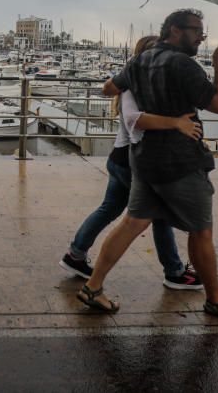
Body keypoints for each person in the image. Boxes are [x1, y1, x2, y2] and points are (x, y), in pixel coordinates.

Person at [77, 9, 218, 322]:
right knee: (201, 231)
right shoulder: (183, 64)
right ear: (175, 30)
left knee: (133, 222)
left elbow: (111, 87)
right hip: (180, 162)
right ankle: (216, 299)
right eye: (196, 30)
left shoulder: (140, 60)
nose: (201, 36)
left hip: (145, 160)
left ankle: (93, 287)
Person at [60, 36, 204, 291]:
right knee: (157, 217)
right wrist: (175, 123)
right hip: (130, 160)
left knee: (110, 209)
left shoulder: (140, 83)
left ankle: (76, 254)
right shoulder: (132, 87)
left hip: (121, 158)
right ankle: (174, 271)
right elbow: (133, 120)